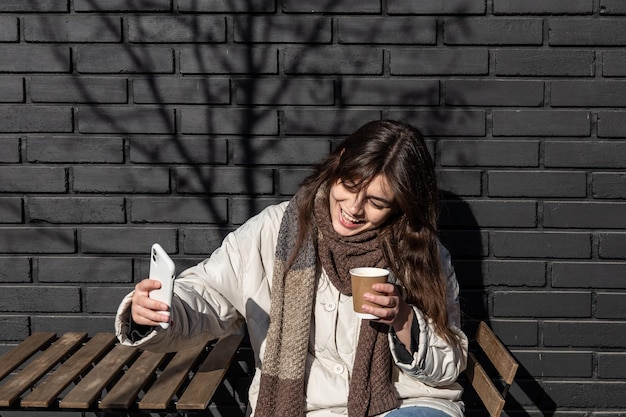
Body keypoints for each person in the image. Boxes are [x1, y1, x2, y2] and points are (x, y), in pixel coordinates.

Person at [115, 119, 468, 417]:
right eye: (349, 185)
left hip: (407, 405)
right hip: (307, 408)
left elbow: (448, 364)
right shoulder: (275, 231)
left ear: (400, 203)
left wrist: (403, 319)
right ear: (340, 162)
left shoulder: (423, 252)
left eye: (376, 201)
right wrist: (155, 311)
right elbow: (209, 292)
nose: (354, 208)